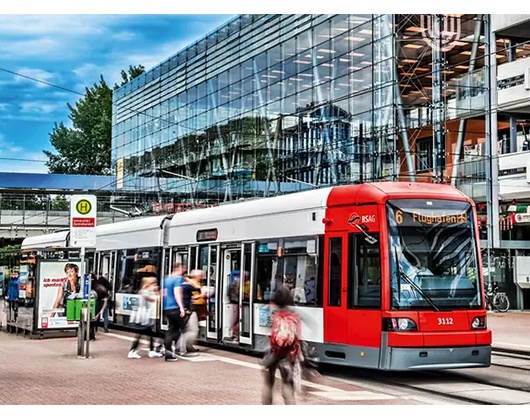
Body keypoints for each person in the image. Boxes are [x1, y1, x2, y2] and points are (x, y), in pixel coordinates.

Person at [261, 284, 302, 405]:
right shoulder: (294, 315)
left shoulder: (272, 312)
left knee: (268, 382)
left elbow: (268, 331)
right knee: (287, 384)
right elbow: (297, 335)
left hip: (273, 352)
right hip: (289, 354)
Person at [128, 276, 163, 359]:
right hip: (144, 316)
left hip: (149, 315)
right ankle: (132, 351)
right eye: (153, 283)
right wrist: (158, 292)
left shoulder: (148, 291)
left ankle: (151, 350)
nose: (155, 284)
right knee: (141, 333)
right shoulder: (144, 291)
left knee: (149, 333)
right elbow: (154, 299)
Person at [177, 269, 206, 356]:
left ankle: (186, 346)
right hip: (190, 308)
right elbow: (194, 295)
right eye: (200, 276)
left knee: (187, 328)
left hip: (191, 308)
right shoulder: (189, 285)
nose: (201, 277)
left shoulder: (185, 285)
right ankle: (181, 347)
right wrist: (202, 295)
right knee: (191, 329)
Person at [162, 262, 187, 362]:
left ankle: (167, 351)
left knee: (170, 329)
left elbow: (163, 294)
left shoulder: (165, 279)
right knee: (178, 329)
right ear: (178, 269)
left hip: (167, 308)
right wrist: (181, 307)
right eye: (183, 269)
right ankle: (173, 351)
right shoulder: (178, 279)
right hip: (175, 307)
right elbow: (177, 293)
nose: (184, 271)